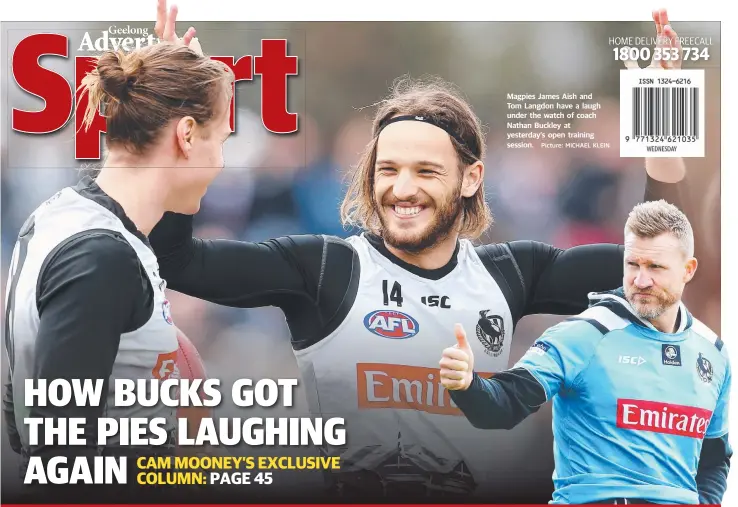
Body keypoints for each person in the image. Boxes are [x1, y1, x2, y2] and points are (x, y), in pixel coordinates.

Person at [148, 5, 689, 500]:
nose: (402, 189)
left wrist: (664, 112)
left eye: (426, 171)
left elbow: (653, 266)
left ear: (471, 178)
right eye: (388, 170)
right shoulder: (325, 268)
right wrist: (183, 113)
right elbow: (178, 260)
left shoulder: (509, 274)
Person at [2, 4, 233, 500]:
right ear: (186, 135)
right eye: (219, 140)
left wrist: (185, 79)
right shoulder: (101, 258)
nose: (222, 162)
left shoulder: (66, 216)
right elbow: (60, 459)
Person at [439, 199, 731, 505]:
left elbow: (714, 459)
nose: (641, 280)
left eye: (655, 267)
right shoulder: (584, 334)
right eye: (633, 264)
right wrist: (468, 384)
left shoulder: (713, 353)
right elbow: (502, 406)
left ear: (688, 270)